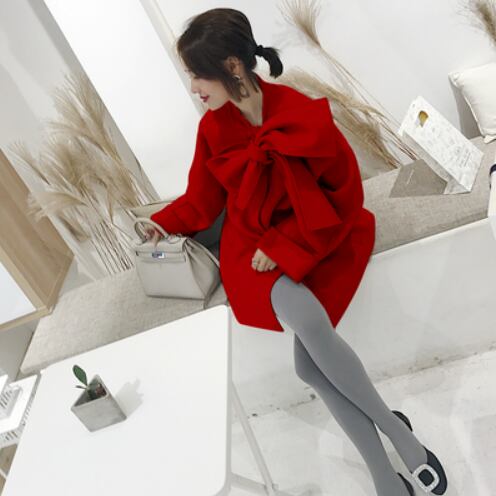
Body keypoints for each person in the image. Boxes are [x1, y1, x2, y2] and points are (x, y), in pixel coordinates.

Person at [145, 8, 448, 496]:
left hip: (318, 236)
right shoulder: (213, 129)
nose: (194, 88)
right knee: (308, 326)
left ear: (232, 66)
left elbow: (345, 196)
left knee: (310, 366)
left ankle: (389, 464)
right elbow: (202, 200)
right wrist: (160, 223)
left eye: (198, 75)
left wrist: (285, 245)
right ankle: (397, 439)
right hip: (250, 251)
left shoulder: (300, 115)